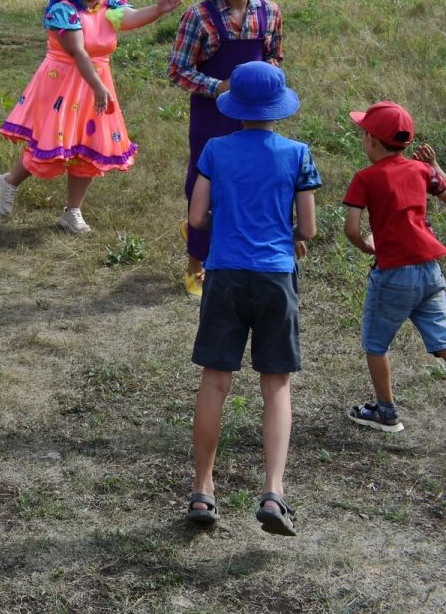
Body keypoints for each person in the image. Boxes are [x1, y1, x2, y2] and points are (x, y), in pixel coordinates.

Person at [183, 61, 319, 536]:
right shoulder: (297, 153)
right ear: (277, 108)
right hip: (275, 276)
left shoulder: (215, 150)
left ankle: (203, 491)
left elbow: (198, 217)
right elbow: (308, 228)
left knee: (215, 382)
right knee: (275, 386)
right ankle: (274, 493)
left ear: (234, 106)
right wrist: (286, 232)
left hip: (224, 274)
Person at [341, 102, 446, 447]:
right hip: (430, 271)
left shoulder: (365, 178)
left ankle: (385, 411)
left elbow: (351, 229)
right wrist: (435, 166)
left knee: (375, 344)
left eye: (364, 134)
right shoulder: (421, 172)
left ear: (373, 141)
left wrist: (367, 246)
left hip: (393, 275)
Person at [0, 0, 184, 234]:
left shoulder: (108, 6)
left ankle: (72, 212)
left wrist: (158, 10)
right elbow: (79, 53)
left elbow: (130, 17)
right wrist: (97, 87)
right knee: (50, 143)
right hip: (64, 82)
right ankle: (9, 182)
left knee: (90, 146)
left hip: (97, 82)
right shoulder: (63, 10)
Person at [168, 0, 284, 297]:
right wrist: (217, 86)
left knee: (249, 180)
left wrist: (268, 78)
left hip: (256, 111)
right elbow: (178, 69)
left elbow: (275, 55)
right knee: (204, 182)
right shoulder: (199, 17)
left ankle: (235, 254)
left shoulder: (270, 12)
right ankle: (195, 265)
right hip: (212, 114)